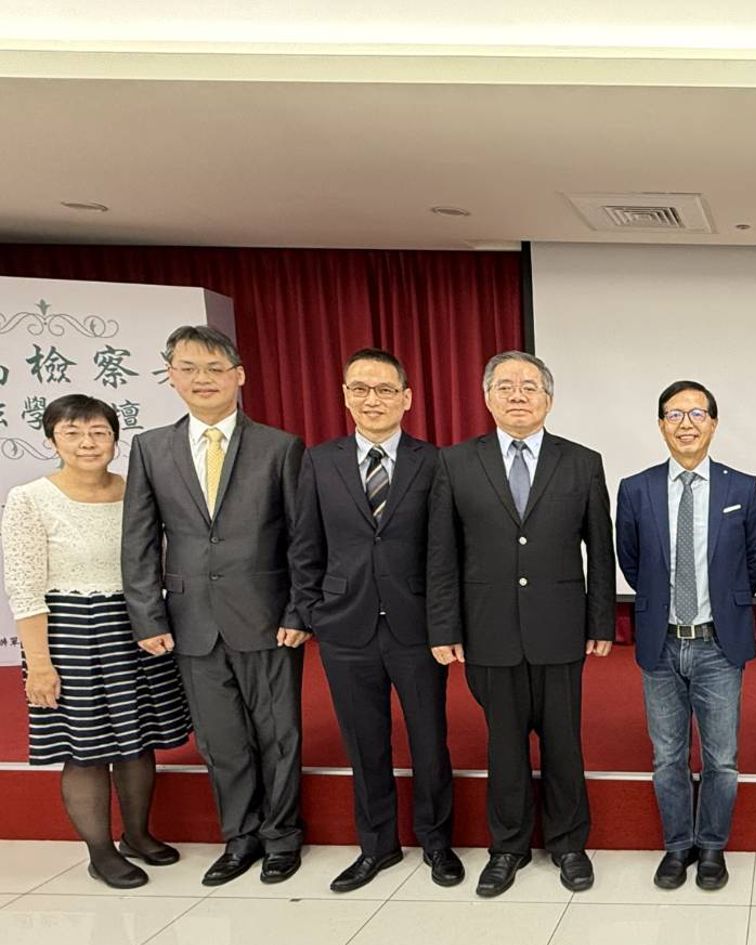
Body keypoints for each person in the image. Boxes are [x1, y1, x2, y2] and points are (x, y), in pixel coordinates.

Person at [122, 325, 310, 887]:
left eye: (213, 368)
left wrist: (298, 610)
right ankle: (240, 836)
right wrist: (147, 615)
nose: (201, 379)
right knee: (220, 738)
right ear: (171, 377)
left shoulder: (280, 446)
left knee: (278, 734)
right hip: (191, 621)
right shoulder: (151, 447)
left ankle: (282, 836)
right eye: (188, 368)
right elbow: (139, 539)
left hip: (267, 616)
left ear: (238, 375)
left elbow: (301, 538)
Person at [428, 351, 616, 896]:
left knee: (564, 745)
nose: (517, 395)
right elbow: (441, 553)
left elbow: (599, 550)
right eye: (505, 386)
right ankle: (507, 848)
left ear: (548, 400)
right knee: (504, 747)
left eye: (530, 387)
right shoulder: (455, 463)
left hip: (560, 629)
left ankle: (569, 844)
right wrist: (444, 628)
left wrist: (601, 620)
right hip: (488, 631)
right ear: (487, 398)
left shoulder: (582, 462)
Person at [289, 348, 462, 893]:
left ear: (407, 398)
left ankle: (436, 841)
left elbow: (446, 551)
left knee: (429, 740)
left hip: (416, 626)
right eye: (360, 389)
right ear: (345, 396)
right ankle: (377, 846)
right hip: (346, 626)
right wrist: (312, 611)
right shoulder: (319, 461)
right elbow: (304, 544)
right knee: (364, 744)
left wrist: (445, 624)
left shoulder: (434, 462)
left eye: (385, 389)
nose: (373, 399)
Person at [2, 396, 191, 888]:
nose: (87, 443)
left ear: (114, 439)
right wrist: (39, 664)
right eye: (72, 432)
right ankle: (100, 851)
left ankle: (138, 835)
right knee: (85, 748)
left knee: (138, 738)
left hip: (136, 627)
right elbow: (24, 588)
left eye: (98, 432)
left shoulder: (135, 492)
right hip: (71, 633)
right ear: (52, 440)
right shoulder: (30, 499)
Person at [616, 381, 756, 890]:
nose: (686, 423)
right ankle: (678, 846)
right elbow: (632, 561)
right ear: (661, 425)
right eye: (675, 414)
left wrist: (724, 604)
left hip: (718, 644)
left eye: (697, 413)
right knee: (667, 757)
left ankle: (712, 847)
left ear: (714, 423)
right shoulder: (635, 489)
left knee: (722, 758)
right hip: (660, 641)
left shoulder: (742, 488)